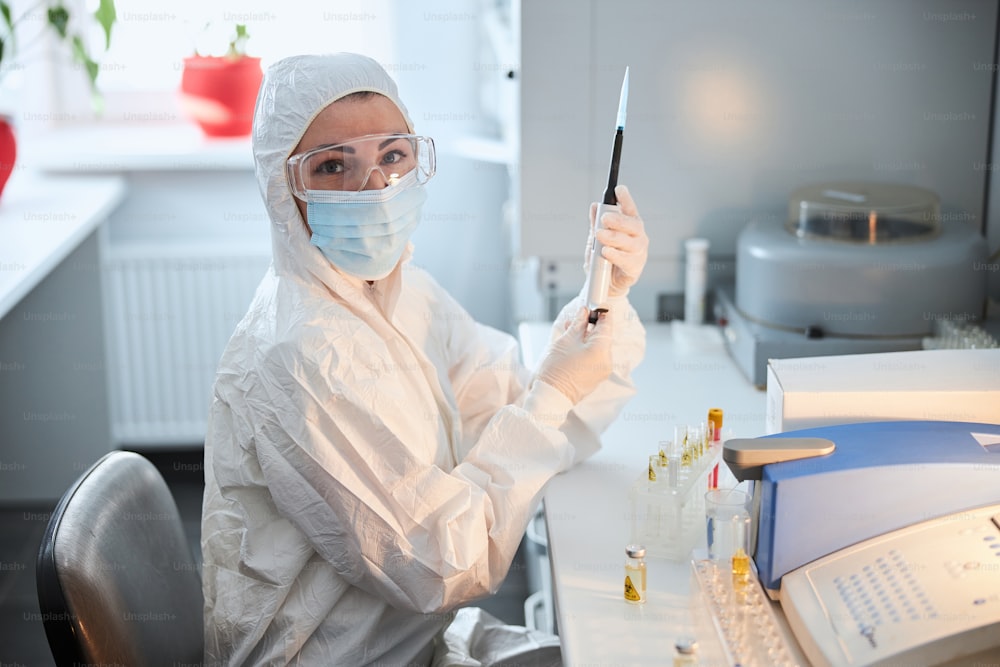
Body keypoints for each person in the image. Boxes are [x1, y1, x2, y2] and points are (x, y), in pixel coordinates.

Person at [200, 52, 649, 666]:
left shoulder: (402, 291)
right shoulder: (300, 358)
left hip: (410, 641)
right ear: (286, 193)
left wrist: (604, 298)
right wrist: (552, 393)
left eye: (392, 155)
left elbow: (505, 401)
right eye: (333, 165)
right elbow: (440, 562)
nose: (376, 186)